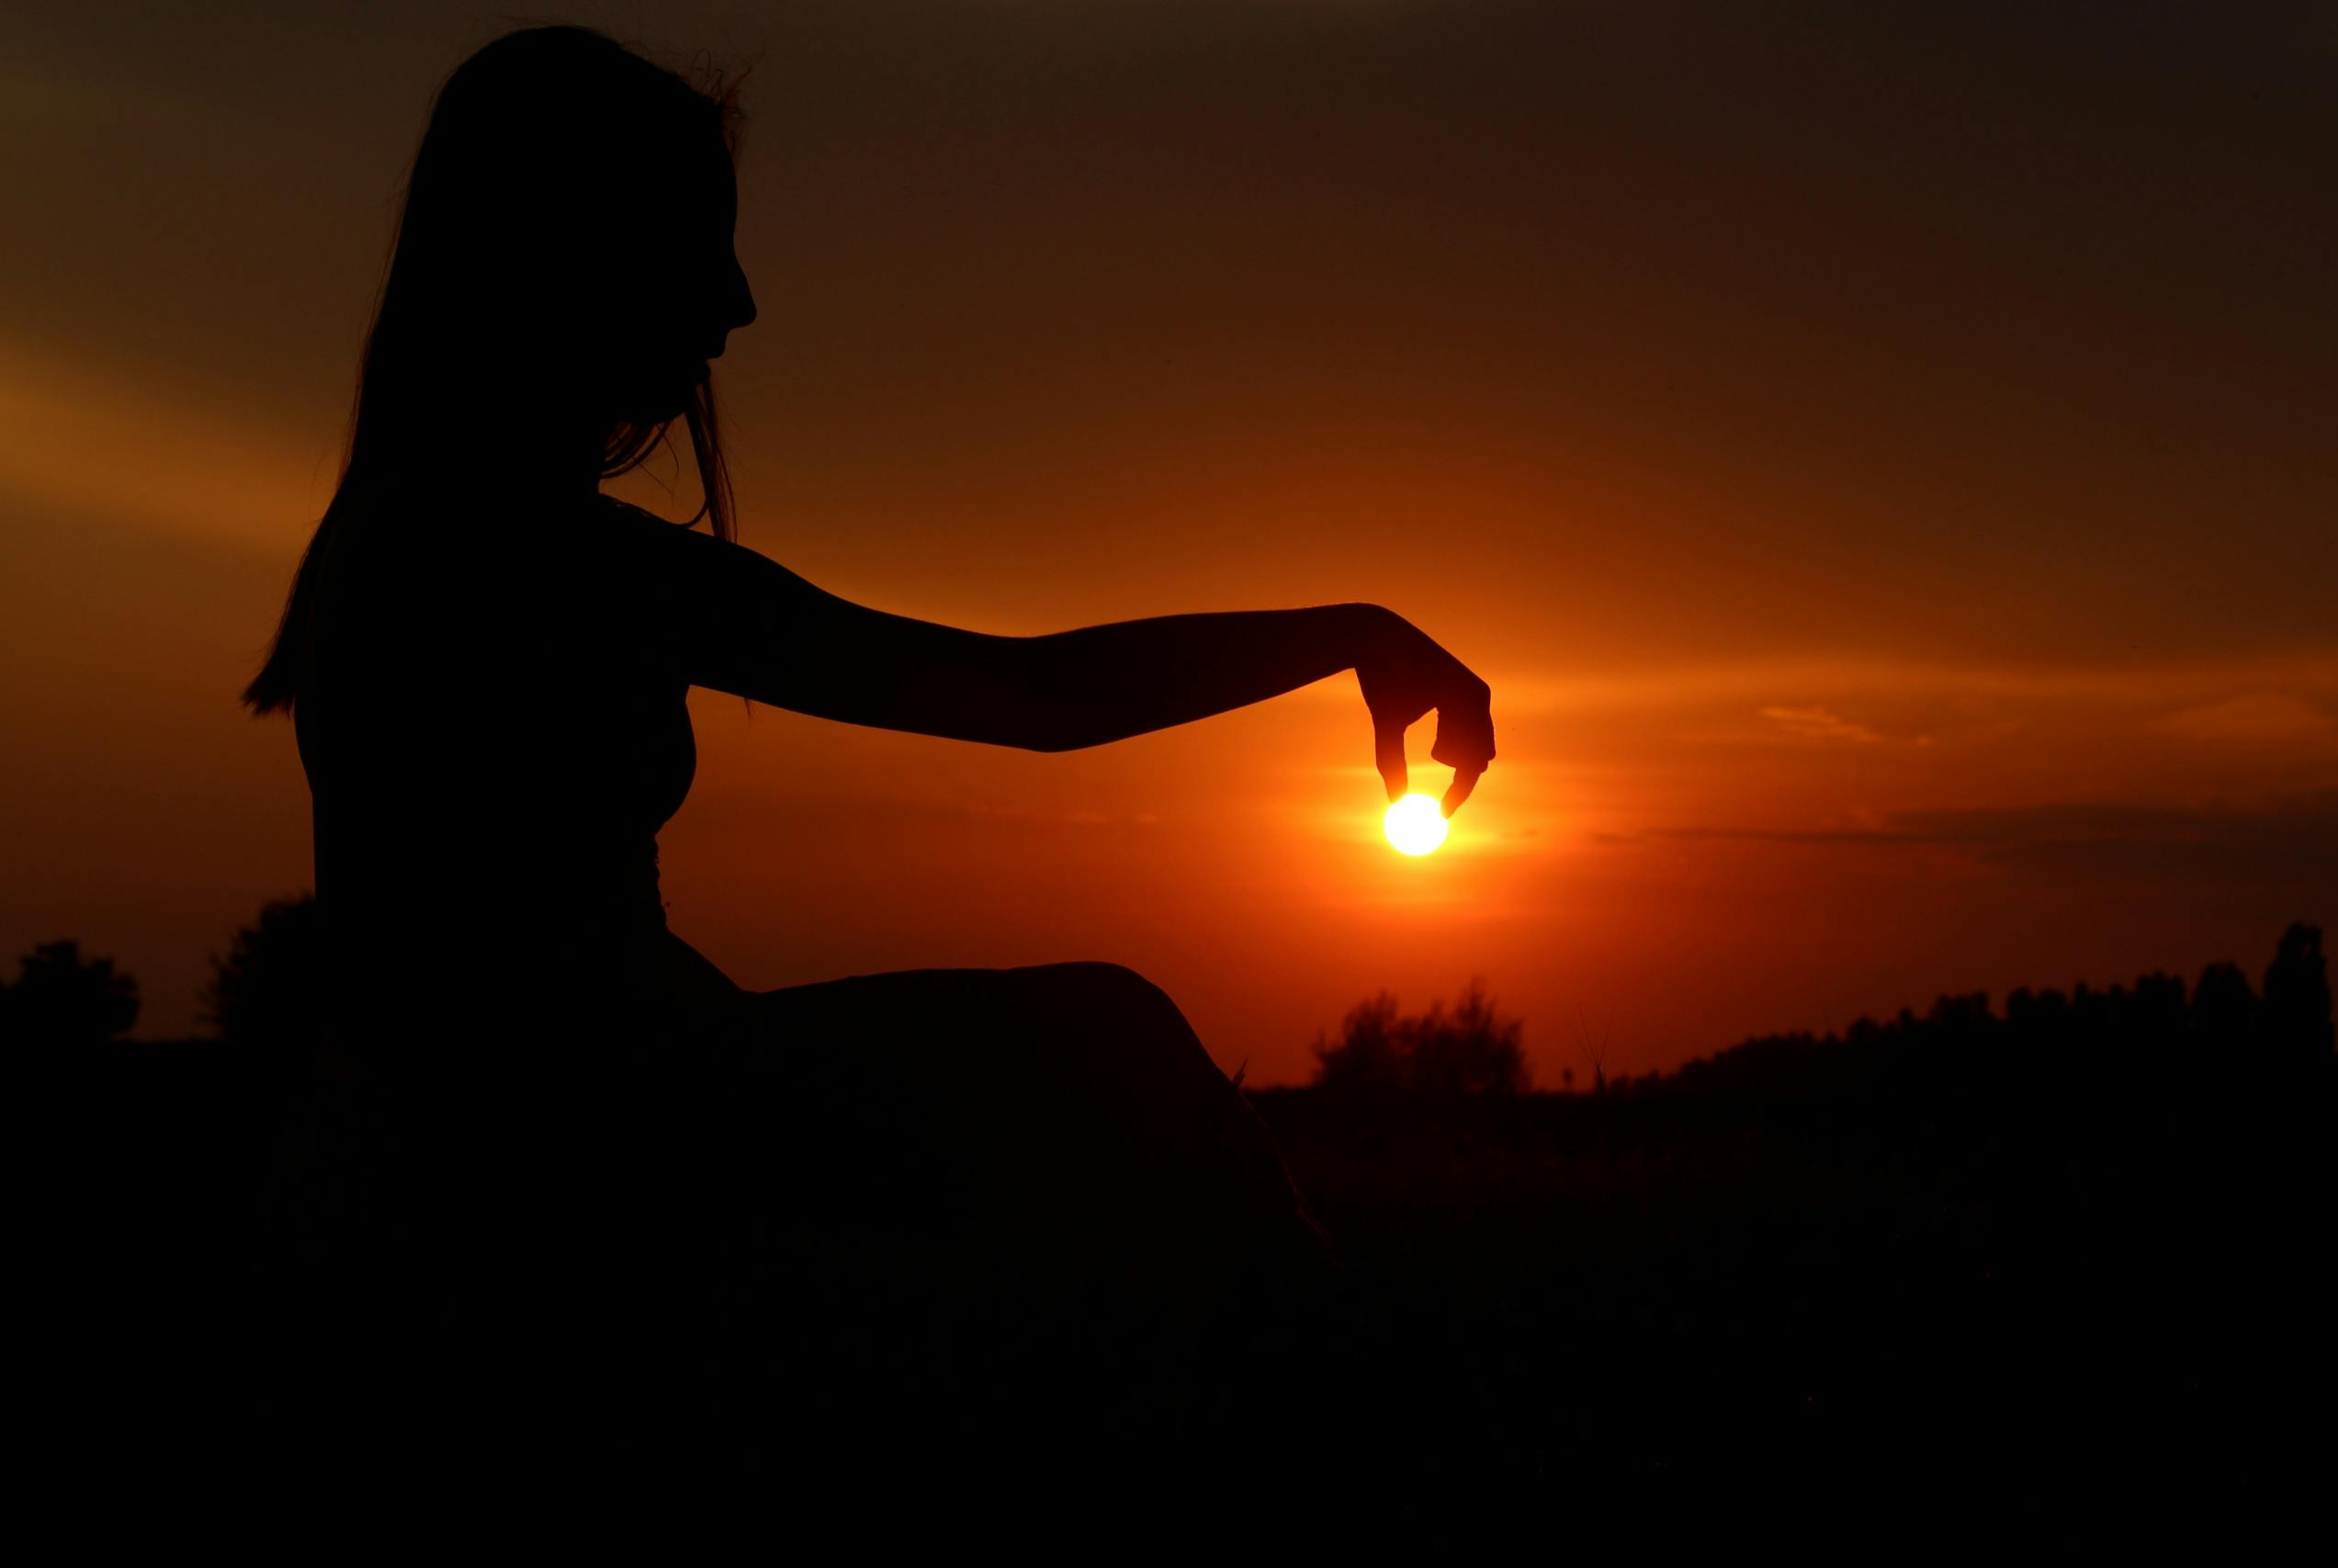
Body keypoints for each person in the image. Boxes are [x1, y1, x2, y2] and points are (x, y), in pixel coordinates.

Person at [243, 25, 1494, 1444]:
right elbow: (1027, 700)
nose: (740, 302)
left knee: (1092, 1104)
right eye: (696, 244)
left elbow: (512, 956)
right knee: (1113, 1046)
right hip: (546, 1167)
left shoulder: (410, 535)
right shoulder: (535, 559)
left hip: (492, 1145)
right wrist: (1348, 634)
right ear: (571, 249)